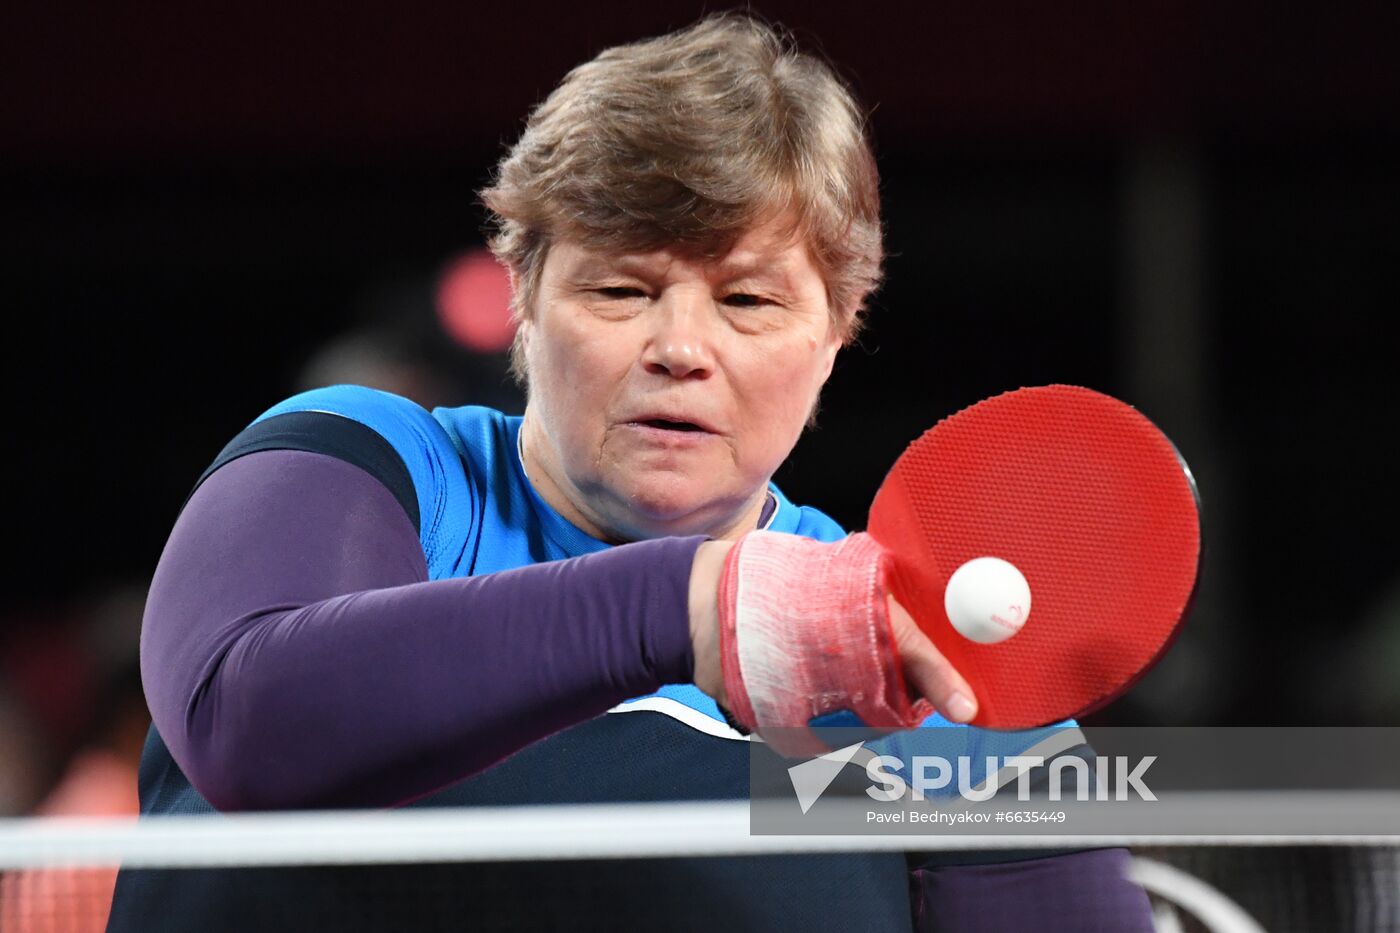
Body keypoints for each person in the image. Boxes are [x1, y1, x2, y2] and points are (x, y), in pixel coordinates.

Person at [108, 14, 1153, 931]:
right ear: (522, 297)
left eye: (747, 302)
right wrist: (694, 608)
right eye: (619, 290)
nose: (680, 348)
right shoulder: (370, 465)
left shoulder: (916, 669)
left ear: (835, 332)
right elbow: (245, 724)